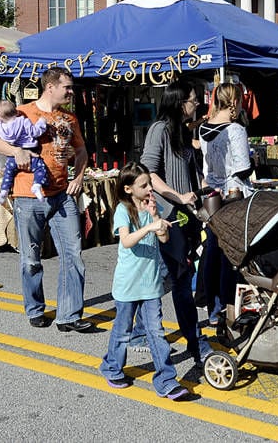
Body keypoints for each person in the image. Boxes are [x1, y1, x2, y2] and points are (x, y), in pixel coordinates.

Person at [0, 67, 94, 332]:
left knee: (73, 255)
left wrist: (78, 177)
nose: (71, 91)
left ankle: (69, 315)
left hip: (62, 194)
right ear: (50, 87)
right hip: (28, 194)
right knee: (31, 259)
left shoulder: (69, 118)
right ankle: (35, 308)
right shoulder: (22, 111)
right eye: (67, 87)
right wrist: (16, 151)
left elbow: (81, 150)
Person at [134, 80, 212, 363]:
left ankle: (143, 329)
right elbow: (148, 173)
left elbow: (187, 170)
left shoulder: (182, 130)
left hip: (184, 215)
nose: (197, 105)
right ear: (180, 103)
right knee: (176, 278)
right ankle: (193, 341)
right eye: (193, 100)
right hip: (169, 215)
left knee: (173, 276)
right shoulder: (160, 129)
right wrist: (177, 197)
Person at [98, 162, 189, 401]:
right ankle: (111, 367)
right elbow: (126, 241)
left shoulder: (152, 206)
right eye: (144, 185)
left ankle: (166, 380)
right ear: (128, 189)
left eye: (150, 183)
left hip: (150, 283)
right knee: (122, 330)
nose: (150, 189)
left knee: (156, 332)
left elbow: (164, 238)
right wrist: (150, 225)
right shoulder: (122, 210)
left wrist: (157, 219)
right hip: (128, 284)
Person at [198, 82, 251, 325]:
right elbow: (242, 168)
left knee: (212, 250)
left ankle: (213, 306)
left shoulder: (203, 129)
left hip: (211, 194)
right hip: (234, 195)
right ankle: (232, 304)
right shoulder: (235, 130)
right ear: (234, 102)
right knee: (232, 255)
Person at [0, 99, 49, 204]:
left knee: (8, 172)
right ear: (17, 112)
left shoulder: (0, 127)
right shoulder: (23, 121)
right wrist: (42, 122)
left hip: (13, 156)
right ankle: (37, 185)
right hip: (30, 151)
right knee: (40, 167)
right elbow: (35, 132)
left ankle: (4, 191)